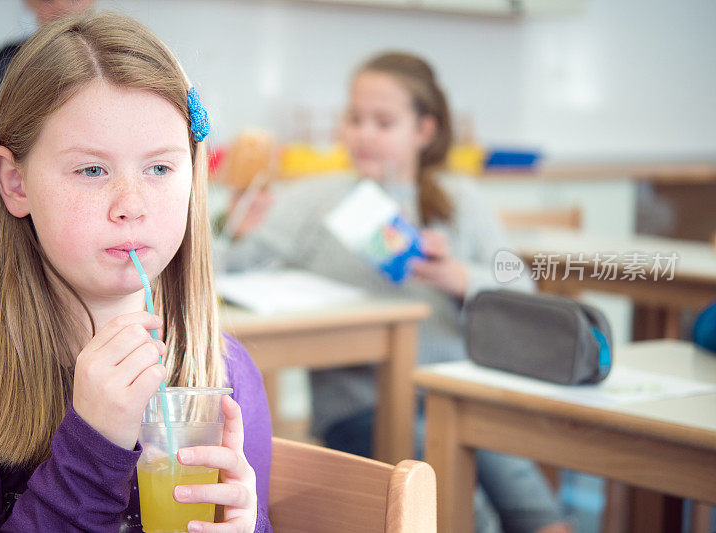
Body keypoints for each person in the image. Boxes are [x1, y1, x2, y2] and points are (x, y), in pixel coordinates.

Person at [0, 12, 271, 533]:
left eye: (160, 168)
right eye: (91, 170)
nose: (131, 204)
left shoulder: (225, 374)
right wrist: (93, 446)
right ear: (15, 184)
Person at [217, 52, 570, 533]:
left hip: (458, 392)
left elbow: (519, 287)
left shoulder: (458, 201)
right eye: (354, 119)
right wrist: (233, 226)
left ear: (424, 131)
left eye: (383, 122)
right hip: (362, 408)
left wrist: (458, 276)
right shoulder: (315, 200)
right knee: (470, 515)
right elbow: (225, 265)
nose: (363, 133)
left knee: (534, 508)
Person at [0, 0, 98, 189]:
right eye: (44, 2)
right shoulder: (10, 60)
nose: (51, 7)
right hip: (5, 206)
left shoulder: (113, 60)